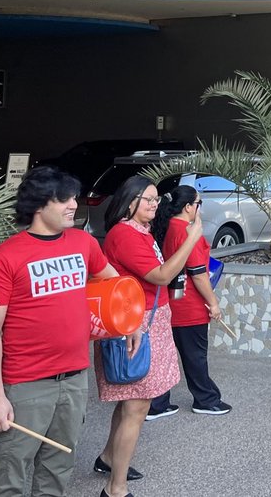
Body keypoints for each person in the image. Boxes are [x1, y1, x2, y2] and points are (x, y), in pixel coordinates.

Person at [0, 166, 122, 497]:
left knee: (57, 470)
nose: (74, 204)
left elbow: (114, 284)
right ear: (39, 204)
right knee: (7, 476)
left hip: (74, 381)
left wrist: (128, 325)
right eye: (65, 199)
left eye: (74, 197)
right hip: (26, 384)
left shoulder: (83, 242)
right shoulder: (5, 257)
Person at [93, 176, 203, 497]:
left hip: (149, 320)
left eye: (157, 200)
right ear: (130, 202)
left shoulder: (140, 232)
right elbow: (161, 275)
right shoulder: (124, 234)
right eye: (148, 199)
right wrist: (191, 238)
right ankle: (116, 488)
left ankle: (108, 458)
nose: (155, 205)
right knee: (137, 406)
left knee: (130, 400)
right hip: (135, 326)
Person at [146, 185, 230, 420]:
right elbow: (198, 273)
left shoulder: (169, 227)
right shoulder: (185, 230)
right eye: (198, 204)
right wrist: (213, 303)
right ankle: (205, 399)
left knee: (170, 354)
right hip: (189, 304)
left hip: (174, 300)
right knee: (195, 355)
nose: (199, 209)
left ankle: (158, 403)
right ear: (188, 207)